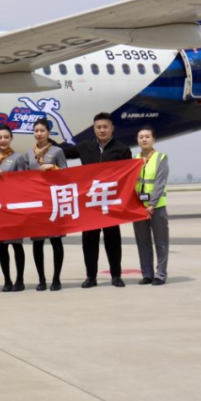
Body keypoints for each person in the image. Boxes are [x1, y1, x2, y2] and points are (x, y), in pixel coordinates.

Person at [58, 112, 132, 288]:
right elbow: (62, 151)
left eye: (105, 127)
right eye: (98, 127)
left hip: (110, 203)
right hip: (90, 203)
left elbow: (128, 176)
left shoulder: (122, 149)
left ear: (112, 128)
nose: (102, 130)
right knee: (89, 241)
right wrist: (45, 140)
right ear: (94, 129)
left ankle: (116, 276)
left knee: (113, 240)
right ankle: (91, 277)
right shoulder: (85, 147)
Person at [25, 118, 67, 291]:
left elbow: (66, 173)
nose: (39, 134)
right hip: (36, 202)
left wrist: (53, 167)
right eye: (36, 131)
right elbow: (23, 177)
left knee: (56, 241)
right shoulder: (29, 153)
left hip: (52, 201)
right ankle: (41, 279)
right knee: (37, 243)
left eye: (42, 130)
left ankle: (56, 279)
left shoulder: (57, 151)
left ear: (48, 132)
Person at [0, 124, 31, 290]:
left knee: (16, 244)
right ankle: (7, 280)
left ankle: (20, 280)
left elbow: (23, 180)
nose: (3, 140)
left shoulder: (18, 157)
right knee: (2, 245)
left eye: (6, 137)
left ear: (11, 138)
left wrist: (5, 177)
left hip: (13, 207)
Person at [132, 126, 169, 286]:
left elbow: (160, 183)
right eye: (141, 137)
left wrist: (152, 204)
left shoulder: (161, 158)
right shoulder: (134, 159)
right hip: (139, 208)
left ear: (153, 139)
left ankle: (160, 275)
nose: (144, 139)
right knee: (143, 242)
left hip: (157, 207)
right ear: (137, 140)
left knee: (161, 242)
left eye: (147, 136)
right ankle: (147, 274)